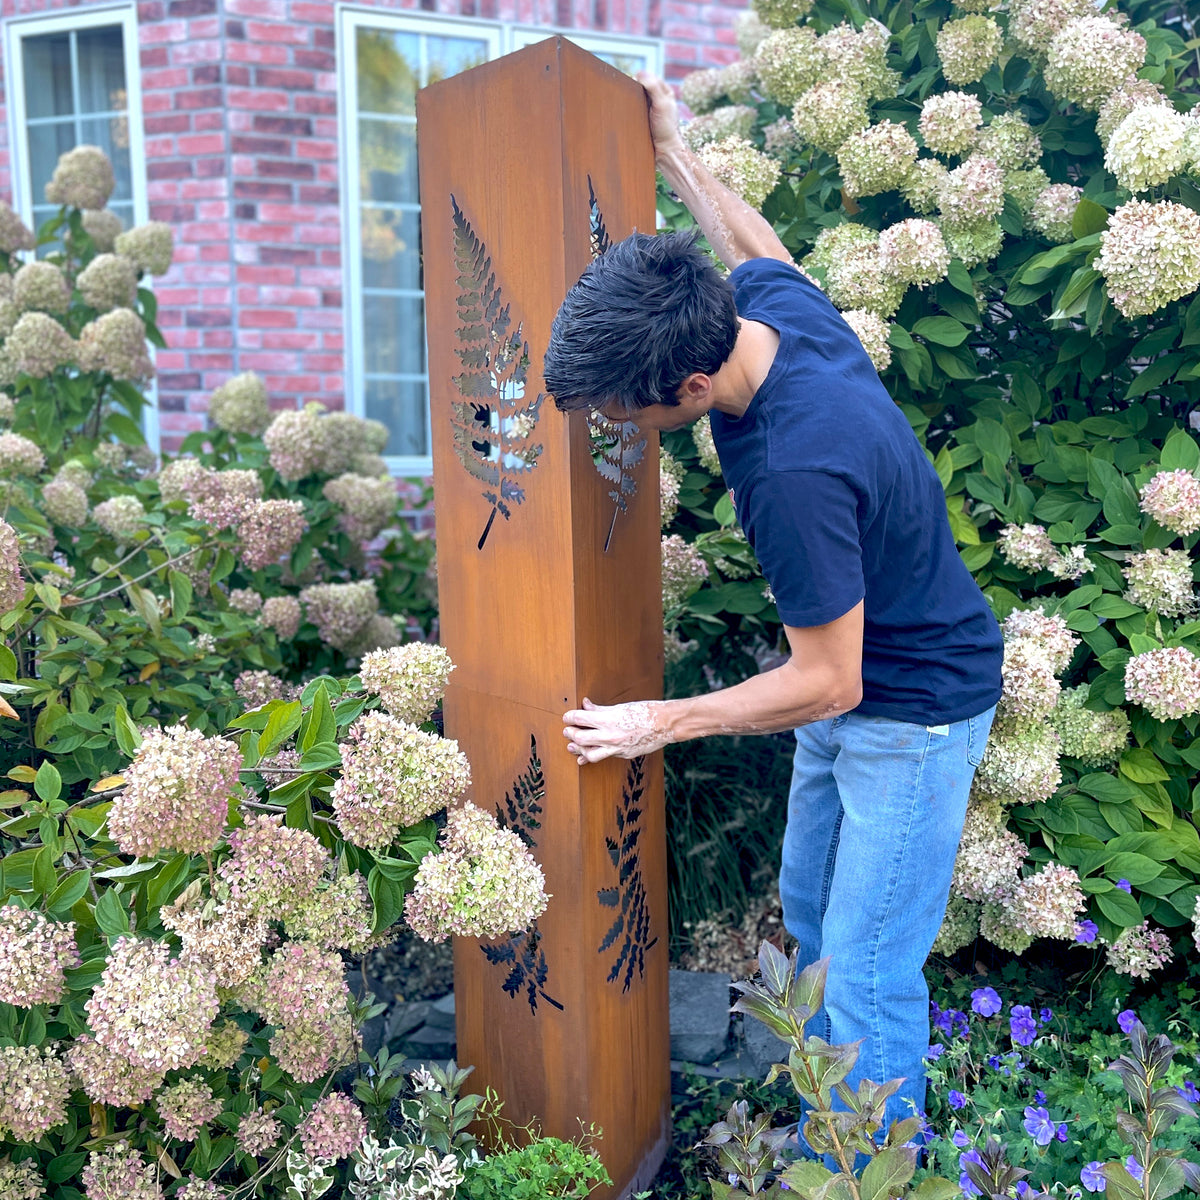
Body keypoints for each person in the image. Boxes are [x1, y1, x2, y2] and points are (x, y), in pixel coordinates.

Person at [546, 74, 1004, 1135]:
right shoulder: (760, 315)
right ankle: (825, 1108)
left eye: (627, 413)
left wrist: (655, 724)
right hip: (858, 690)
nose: (619, 426)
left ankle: (865, 1166)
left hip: (913, 710)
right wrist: (676, 153)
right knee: (808, 916)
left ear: (691, 390)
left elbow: (827, 678)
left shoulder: (796, 467)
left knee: (866, 974)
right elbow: (759, 245)